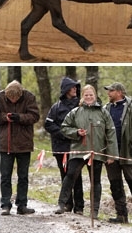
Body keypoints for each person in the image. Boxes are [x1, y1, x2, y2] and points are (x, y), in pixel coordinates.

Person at [54, 85, 118, 218]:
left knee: (95, 181)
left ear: (95, 96)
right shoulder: (75, 112)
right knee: (70, 175)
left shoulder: (103, 112)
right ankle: (61, 203)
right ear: (82, 97)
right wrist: (76, 132)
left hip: (97, 152)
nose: (89, 97)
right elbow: (64, 128)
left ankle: (94, 211)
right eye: (86, 95)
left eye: (91, 95)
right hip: (78, 150)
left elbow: (111, 133)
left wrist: (112, 154)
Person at [44, 77, 84, 215]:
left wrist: (75, 134)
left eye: (75, 87)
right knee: (65, 175)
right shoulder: (56, 107)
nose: (75, 89)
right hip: (60, 147)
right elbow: (48, 124)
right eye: (72, 87)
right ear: (66, 90)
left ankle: (79, 206)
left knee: (76, 175)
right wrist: (63, 134)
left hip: (77, 146)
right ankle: (68, 204)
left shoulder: (80, 106)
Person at [0, 80, 39, 215]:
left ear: (20, 95)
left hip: (24, 144)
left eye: (15, 98)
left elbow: (35, 116)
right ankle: (5, 204)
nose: (12, 100)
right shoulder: (0, 97)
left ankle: (22, 205)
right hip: (5, 145)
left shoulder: (29, 97)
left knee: (23, 176)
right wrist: (5, 117)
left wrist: (19, 118)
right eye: (10, 98)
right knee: (5, 176)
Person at [102, 82, 132, 224]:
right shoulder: (105, 109)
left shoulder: (131, 109)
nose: (108, 93)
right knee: (115, 184)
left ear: (120, 92)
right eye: (108, 91)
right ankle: (121, 215)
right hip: (111, 154)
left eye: (111, 90)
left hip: (127, 152)